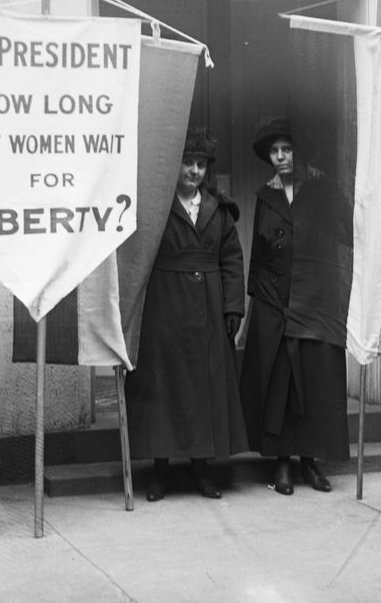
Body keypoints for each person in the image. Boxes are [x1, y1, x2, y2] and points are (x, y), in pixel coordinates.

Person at [126, 128, 247, 501]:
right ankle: (160, 471)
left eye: (200, 164)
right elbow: (137, 256)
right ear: (175, 166)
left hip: (209, 308)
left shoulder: (218, 209)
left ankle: (201, 468)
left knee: (203, 388)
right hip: (164, 305)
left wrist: (232, 306)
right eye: (188, 163)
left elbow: (232, 258)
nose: (194, 171)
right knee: (163, 387)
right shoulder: (156, 207)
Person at [240, 117, 350, 496]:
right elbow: (257, 255)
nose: (281, 157)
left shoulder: (323, 191)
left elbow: (344, 241)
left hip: (316, 300)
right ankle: (282, 463)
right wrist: (250, 309)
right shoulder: (265, 197)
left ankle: (311, 463)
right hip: (274, 303)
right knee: (279, 384)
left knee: (315, 381)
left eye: (286, 149)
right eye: (274, 151)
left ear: (298, 151)